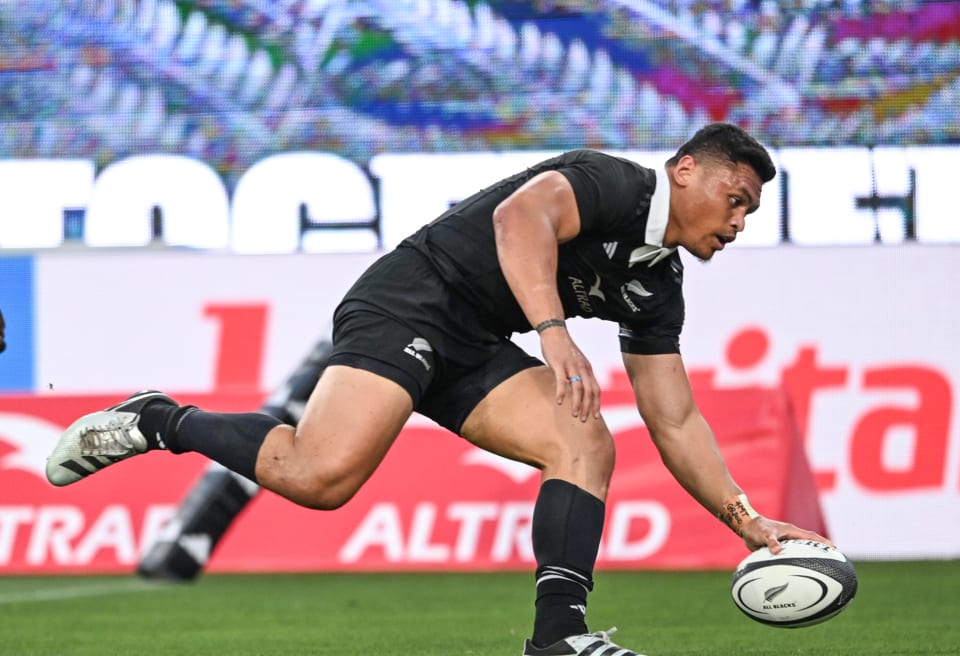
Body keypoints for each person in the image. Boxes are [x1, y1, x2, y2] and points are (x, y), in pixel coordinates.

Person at [47, 123, 831, 656]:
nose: (737, 223)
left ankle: (559, 636)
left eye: (750, 214)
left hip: (474, 343)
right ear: (685, 171)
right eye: (735, 201)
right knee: (318, 478)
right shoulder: (613, 183)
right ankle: (159, 420)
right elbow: (520, 222)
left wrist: (749, 522)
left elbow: (676, 419)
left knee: (585, 440)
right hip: (409, 299)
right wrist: (555, 332)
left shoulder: (657, 288)